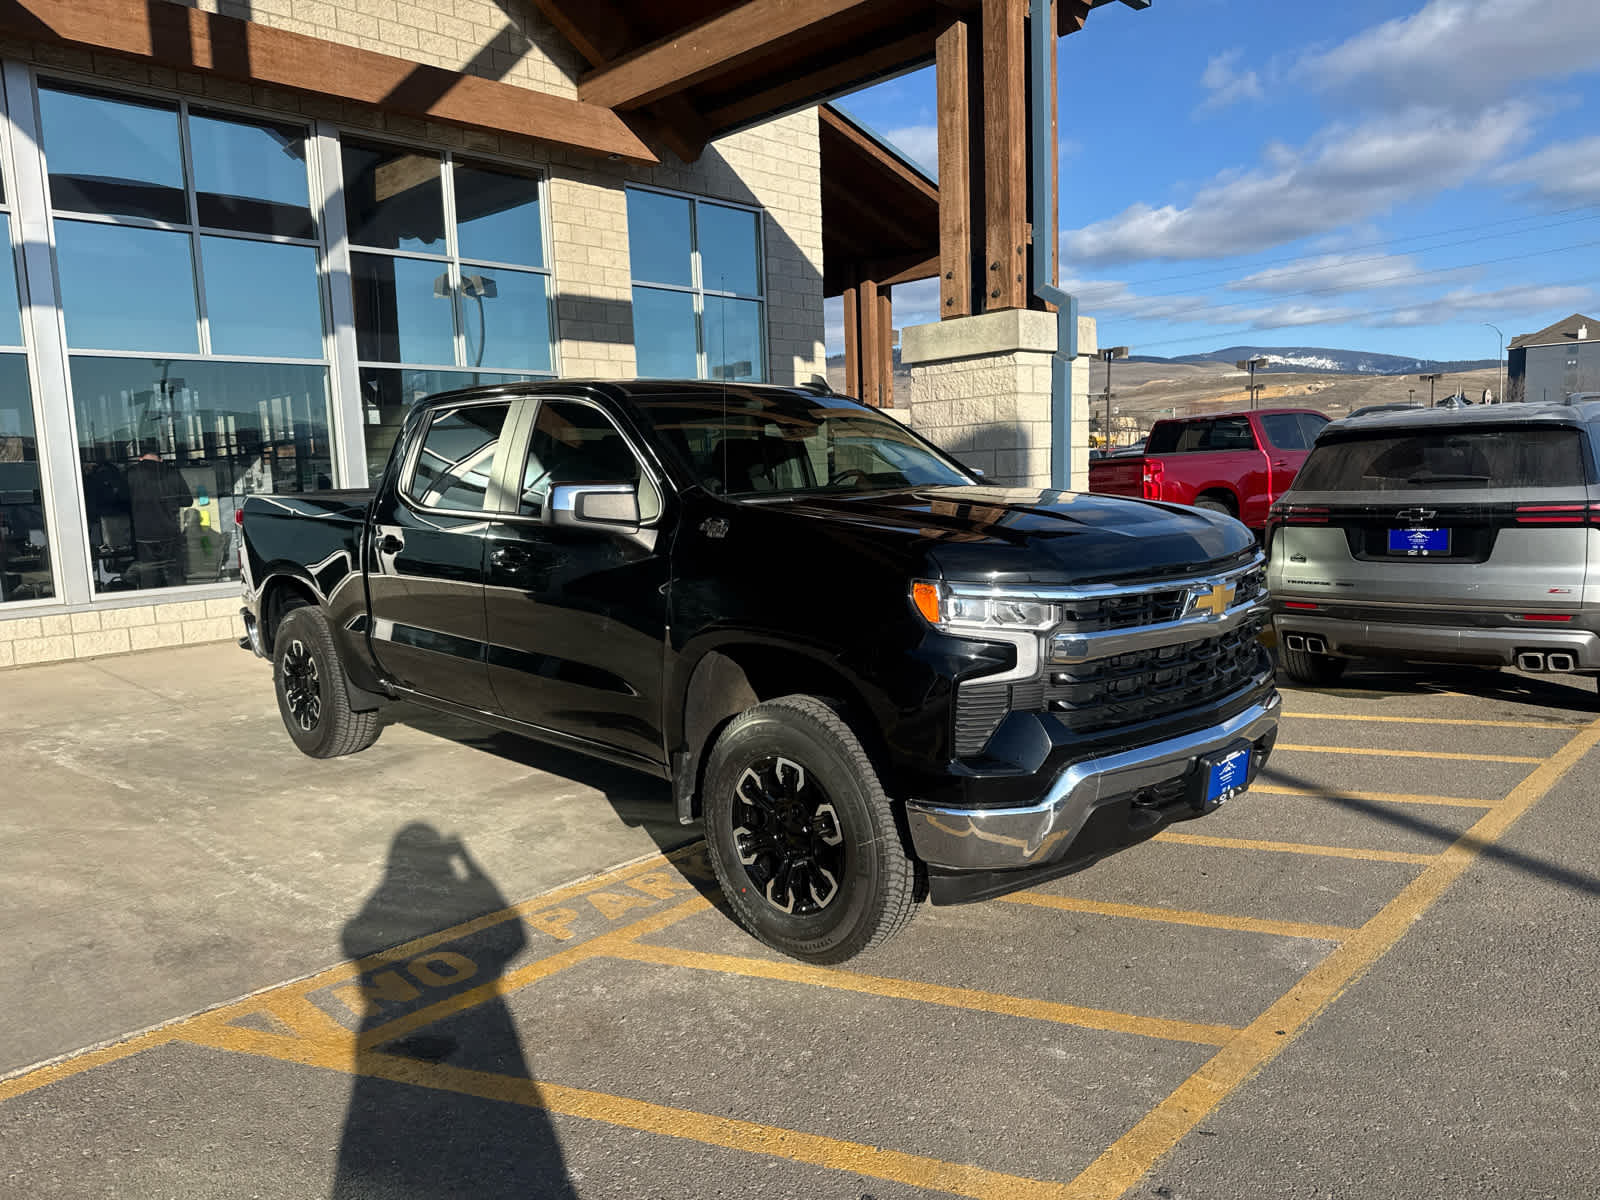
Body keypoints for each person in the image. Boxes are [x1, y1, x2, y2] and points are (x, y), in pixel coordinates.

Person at [125, 439, 191, 588]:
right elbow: (187, 500)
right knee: (175, 575)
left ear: (140, 457)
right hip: (170, 532)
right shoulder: (171, 472)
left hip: (143, 535)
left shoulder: (131, 473)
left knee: (149, 578)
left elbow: (122, 502)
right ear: (160, 458)